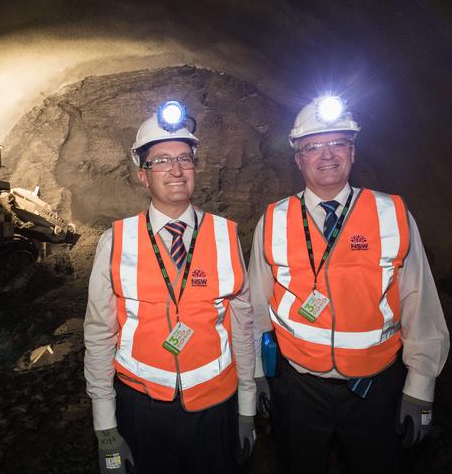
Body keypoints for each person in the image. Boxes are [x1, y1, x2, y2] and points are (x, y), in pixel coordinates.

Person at [248, 96, 450, 473]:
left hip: (375, 388)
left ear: (353, 152)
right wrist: (256, 375)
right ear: (298, 158)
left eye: (337, 143)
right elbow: (256, 306)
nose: (326, 154)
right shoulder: (274, 220)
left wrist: (420, 388)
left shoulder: (391, 214)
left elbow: (419, 303)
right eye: (313, 146)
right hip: (298, 388)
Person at [84, 101, 257, 474]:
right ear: (143, 176)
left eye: (184, 158)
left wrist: (247, 405)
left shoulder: (226, 236)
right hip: (141, 408)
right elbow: (99, 334)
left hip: (216, 405)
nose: (176, 169)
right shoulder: (115, 241)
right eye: (161, 160)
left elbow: (242, 326)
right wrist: (105, 426)